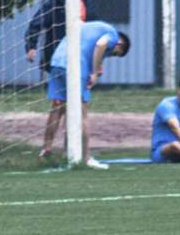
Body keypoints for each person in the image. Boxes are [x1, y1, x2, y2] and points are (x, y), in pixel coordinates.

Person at [40, 21, 130, 168]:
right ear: (119, 45)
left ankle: (46, 150)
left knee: (57, 108)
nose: (109, 55)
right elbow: (101, 45)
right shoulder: (113, 35)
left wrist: (97, 65)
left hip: (57, 61)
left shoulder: (91, 26)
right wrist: (94, 72)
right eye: (113, 54)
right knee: (82, 112)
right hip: (74, 66)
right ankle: (86, 157)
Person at [25, 0, 100, 72]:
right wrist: (31, 45)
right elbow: (38, 20)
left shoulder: (86, 2)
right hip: (58, 58)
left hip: (77, 57)